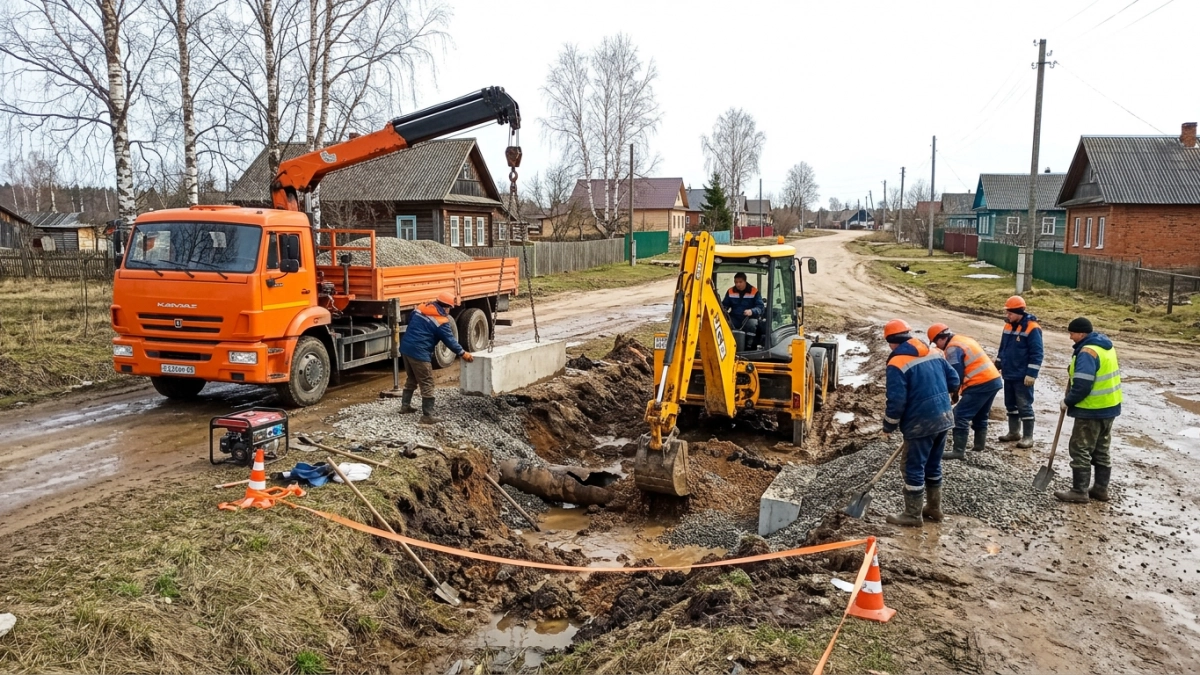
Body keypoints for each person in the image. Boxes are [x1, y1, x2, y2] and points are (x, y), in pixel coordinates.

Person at [881, 319, 961, 526]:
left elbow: (896, 402)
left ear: (891, 342)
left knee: (912, 468)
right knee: (933, 465)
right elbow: (954, 381)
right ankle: (934, 509)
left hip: (920, 423)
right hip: (944, 418)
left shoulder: (896, 363)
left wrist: (888, 426)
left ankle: (913, 515)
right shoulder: (934, 352)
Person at [1055, 317, 1122, 503]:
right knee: (1101, 449)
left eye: (1072, 333)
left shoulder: (1087, 352)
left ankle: (1079, 491)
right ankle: (1100, 490)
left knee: (1080, 448)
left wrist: (1068, 401)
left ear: (1082, 334)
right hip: (1110, 407)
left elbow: (1083, 385)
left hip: (1091, 409)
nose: (1070, 337)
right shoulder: (1104, 346)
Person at [928, 323, 1003, 460]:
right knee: (981, 415)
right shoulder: (963, 339)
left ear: (940, 339)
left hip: (980, 383)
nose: (937, 346)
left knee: (960, 415)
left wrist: (953, 393)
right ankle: (979, 447)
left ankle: (958, 451)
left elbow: (956, 375)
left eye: (935, 343)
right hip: (993, 380)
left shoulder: (952, 349)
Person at [399, 291, 473, 424]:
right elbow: (450, 341)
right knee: (427, 382)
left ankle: (405, 406)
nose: (449, 311)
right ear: (445, 307)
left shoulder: (420, 309)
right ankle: (427, 415)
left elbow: (411, 320)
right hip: (419, 353)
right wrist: (463, 353)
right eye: (449, 308)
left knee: (412, 378)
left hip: (406, 348)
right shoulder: (441, 321)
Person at [995, 295, 1043, 449]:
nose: (1007, 315)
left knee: (1024, 405)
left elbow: (1037, 353)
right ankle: (1014, 432)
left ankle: (1028, 437)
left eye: (1010, 313)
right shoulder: (1008, 326)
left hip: (1022, 376)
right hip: (1009, 372)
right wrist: (999, 361)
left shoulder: (1032, 328)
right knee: (1010, 404)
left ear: (1018, 312)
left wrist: (1032, 374)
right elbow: (1003, 347)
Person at [722, 272, 765, 346]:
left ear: (745, 281)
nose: (738, 284)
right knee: (724, 323)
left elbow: (760, 307)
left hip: (749, 318)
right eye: (736, 282)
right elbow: (725, 305)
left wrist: (752, 311)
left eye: (740, 282)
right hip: (734, 318)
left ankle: (749, 344)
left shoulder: (754, 291)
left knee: (752, 324)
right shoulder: (730, 291)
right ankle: (728, 344)